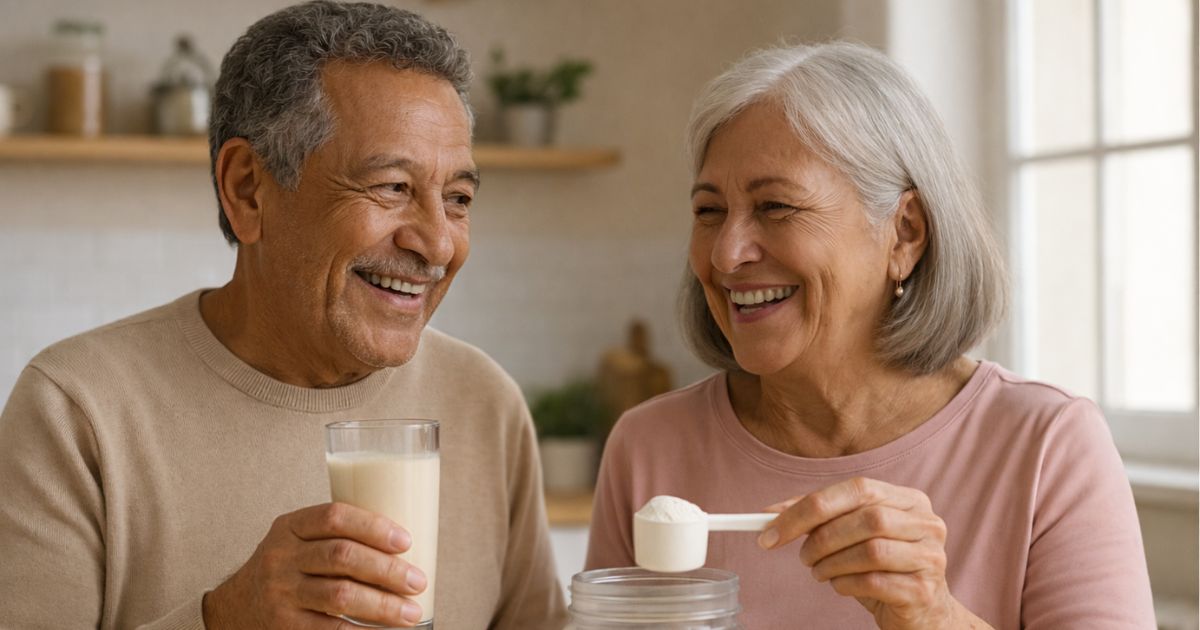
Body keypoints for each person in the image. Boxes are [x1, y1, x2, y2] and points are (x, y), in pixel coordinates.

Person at [0, 2, 566, 628]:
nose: (436, 244)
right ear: (247, 188)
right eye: (391, 187)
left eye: (457, 198)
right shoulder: (76, 411)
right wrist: (223, 620)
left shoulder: (484, 401)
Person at [585, 42, 1156, 629]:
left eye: (776, 206)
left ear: (904, 232)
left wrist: (934, 617)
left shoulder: (1047, 445)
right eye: (709, 212)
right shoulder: (649, 447)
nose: (727, 255)